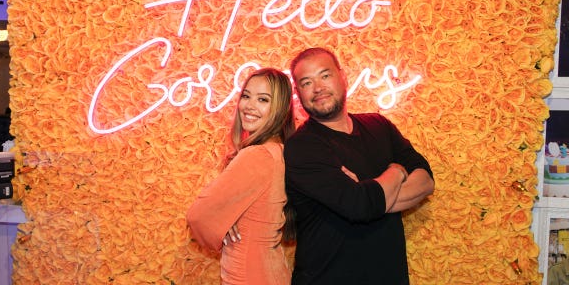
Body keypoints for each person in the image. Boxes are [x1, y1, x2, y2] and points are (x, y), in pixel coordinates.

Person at [283, 47, 435, 284]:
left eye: (325, 75)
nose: (318, 88)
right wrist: (396, 171)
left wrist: (370, 196)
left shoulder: (379, 125)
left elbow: (426, 181)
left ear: (343, 77)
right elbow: (359, 207)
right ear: (298, 93)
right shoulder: (302, 146)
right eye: (306, 82)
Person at [186, 67, 295, 285]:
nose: (249, 106)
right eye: (246, 96)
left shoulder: (258, 155)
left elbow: (197, 217)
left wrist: (220, 223)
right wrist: (225, 219)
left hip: (250, 275)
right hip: (269, 271)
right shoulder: (280, 151)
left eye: (263, 99)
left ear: (280, 110)